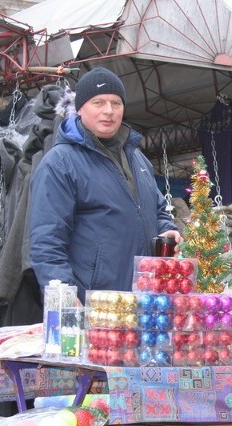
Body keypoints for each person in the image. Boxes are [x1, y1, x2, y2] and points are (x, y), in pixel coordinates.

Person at [29, 67, 182, 302]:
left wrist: (168, 229)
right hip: (94, 302)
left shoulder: (138, 159)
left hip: (145, 298)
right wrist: (66, 300)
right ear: (80, 109)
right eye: (98, 102)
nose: (109, 111)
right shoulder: (60, 162)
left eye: (116, 103)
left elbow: (157, 210)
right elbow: (47, 241)